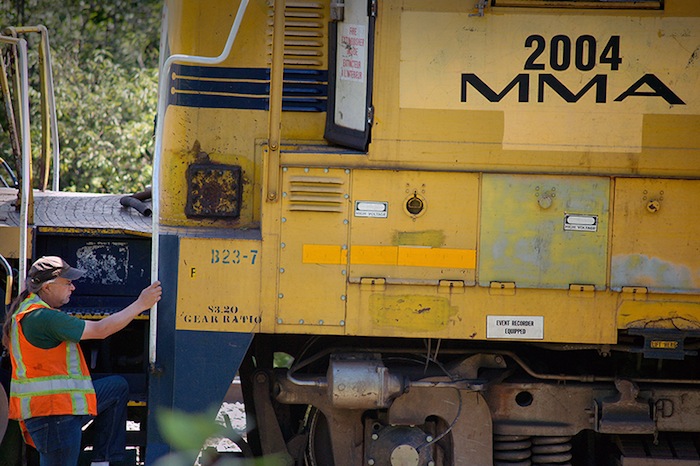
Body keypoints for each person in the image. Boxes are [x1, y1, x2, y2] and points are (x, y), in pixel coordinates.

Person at [1, 256, 162, 466]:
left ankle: (103, 460)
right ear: (48, 288)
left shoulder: (28, 312)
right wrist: (141, 304)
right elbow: (100, 330)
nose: (73, 287)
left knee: (116, 388)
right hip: (53, 414)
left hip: (57, 410)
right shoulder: (44, 318)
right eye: (67, 283)